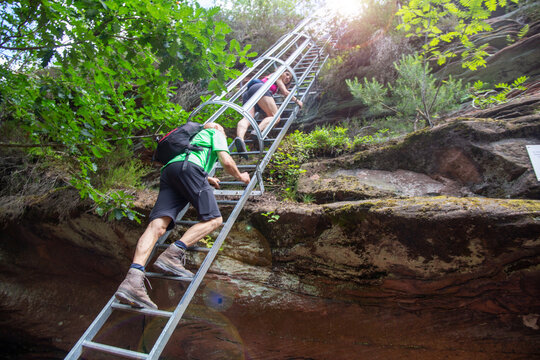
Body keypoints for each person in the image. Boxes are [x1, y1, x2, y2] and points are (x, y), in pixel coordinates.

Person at [114, 122, 250, 309]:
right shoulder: (214, 133)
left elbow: (186, 160)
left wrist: (207, 178)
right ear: (218, 129)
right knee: (214, 219)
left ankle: (133, 280)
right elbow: (226, 161)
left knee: (157, 226)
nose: (225, 133)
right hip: (189, 168)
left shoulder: (191, 138)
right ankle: (173, 254)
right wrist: (241, 176)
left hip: (170, 171)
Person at [234, 71, 303, 157]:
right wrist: (297, 101)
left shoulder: (271, 79)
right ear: (281, 71)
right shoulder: (277, 75)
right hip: (260, 89)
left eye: (290, 78)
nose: (288, 78)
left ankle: (240, 138)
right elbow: (285, 92)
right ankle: (257, 131)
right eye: (287, 74)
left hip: (249, 93)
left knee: (247, 118)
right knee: (275, 117)